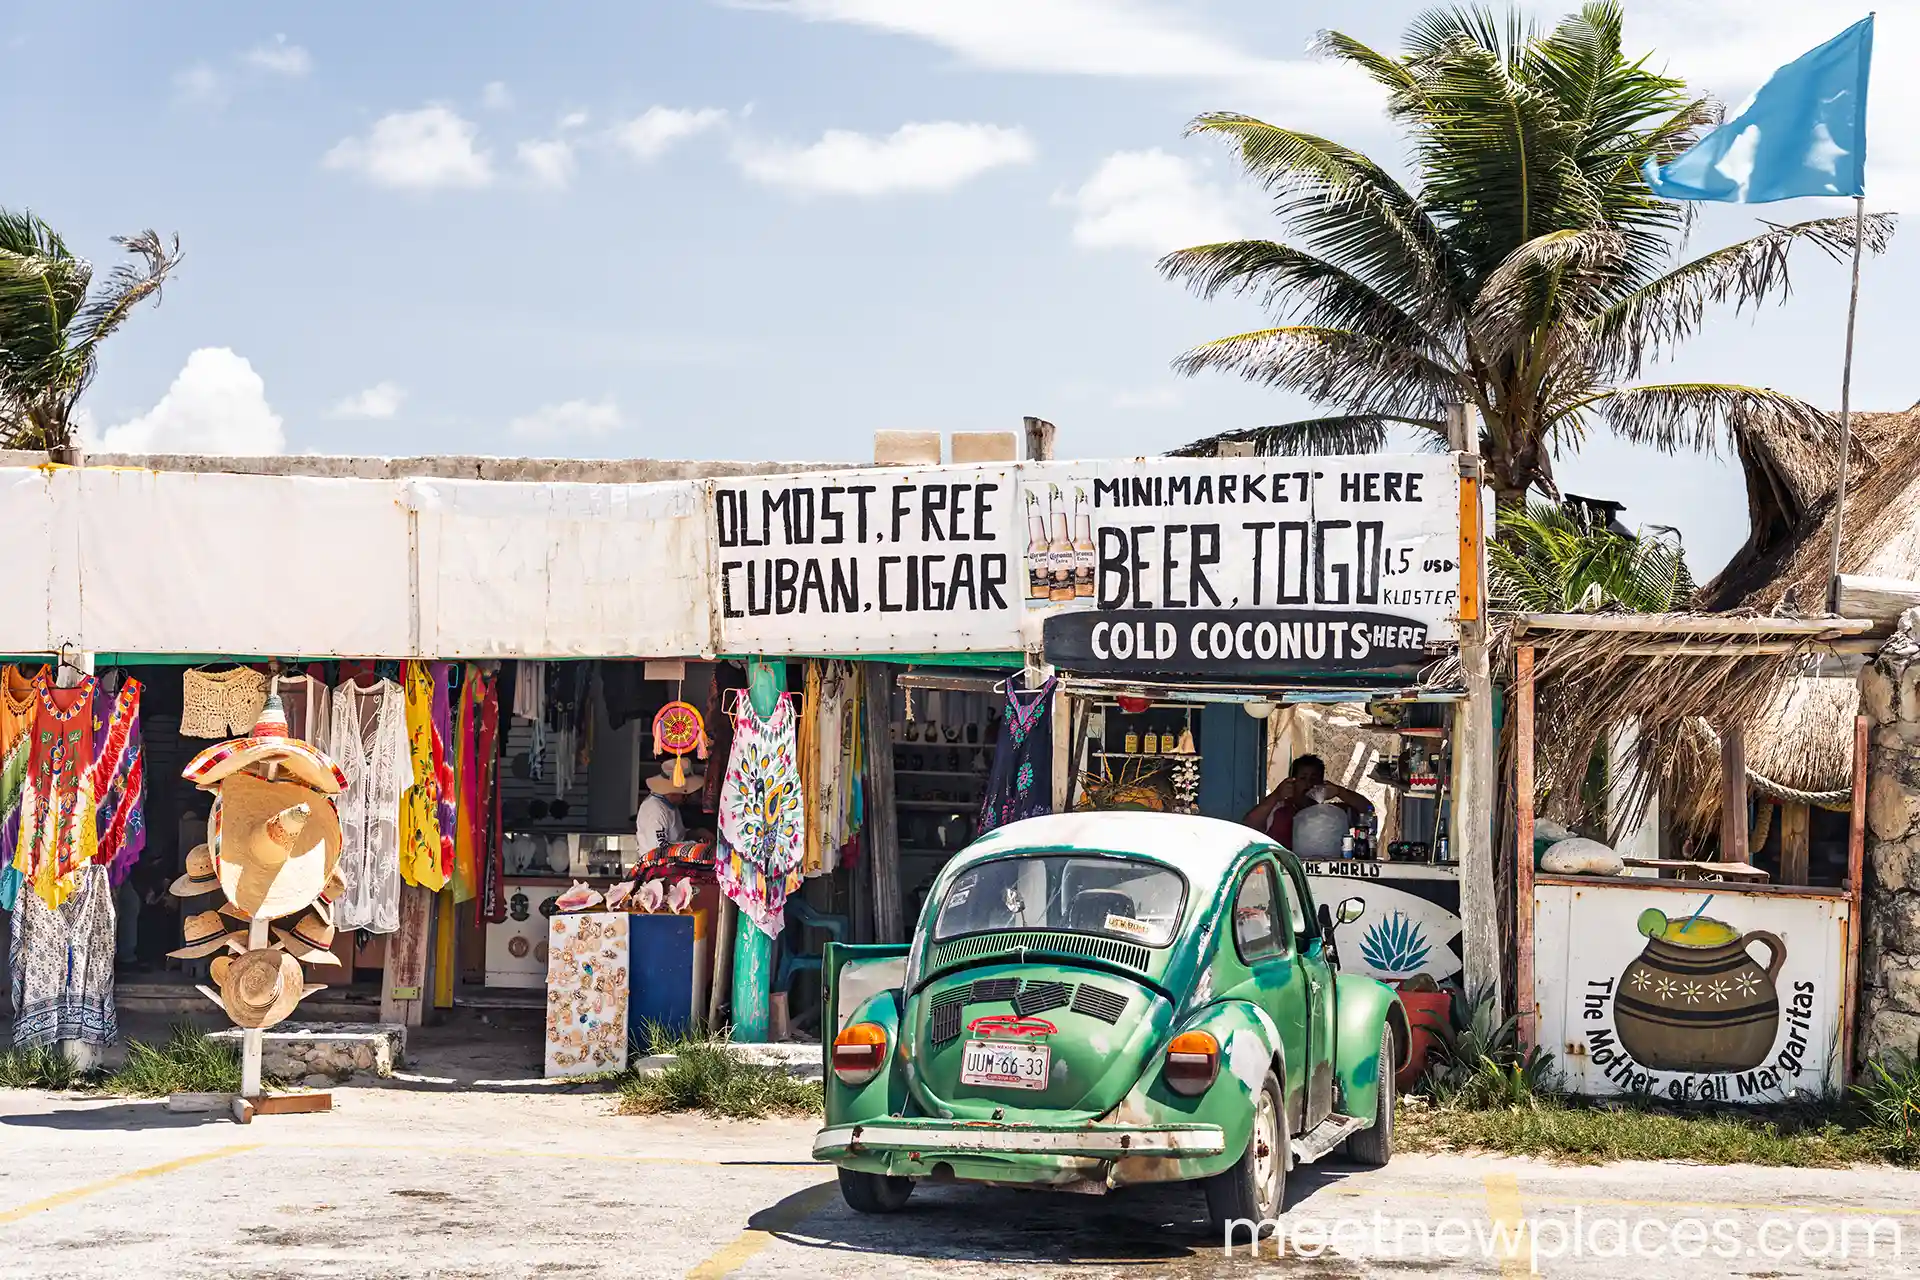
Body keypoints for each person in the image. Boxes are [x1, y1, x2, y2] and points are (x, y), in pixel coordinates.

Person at [1243, 753, 1375, 849]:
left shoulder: (1332, 814)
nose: (1309, 783)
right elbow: (1249, 825)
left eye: (1314, 778)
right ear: (1292, 781)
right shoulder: (1277, 809)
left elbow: (1368, 810)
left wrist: (1340, 792)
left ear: (1321, 783)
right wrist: (1276, 795)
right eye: (1303, 778)